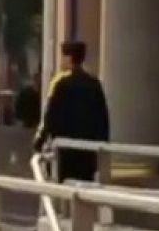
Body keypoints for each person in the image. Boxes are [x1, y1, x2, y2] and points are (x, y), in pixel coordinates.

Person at [33, 41, 110, 184]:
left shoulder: (61, 84)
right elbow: (103, 120)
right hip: (88, 152)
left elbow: (49, 116)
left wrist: (39, 141)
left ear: (69, 58)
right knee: (84, 190)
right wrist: (102, 147)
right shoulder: (95, 85)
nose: (61, 61)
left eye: (63, 56)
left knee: (64, 189)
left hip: (65, 151)